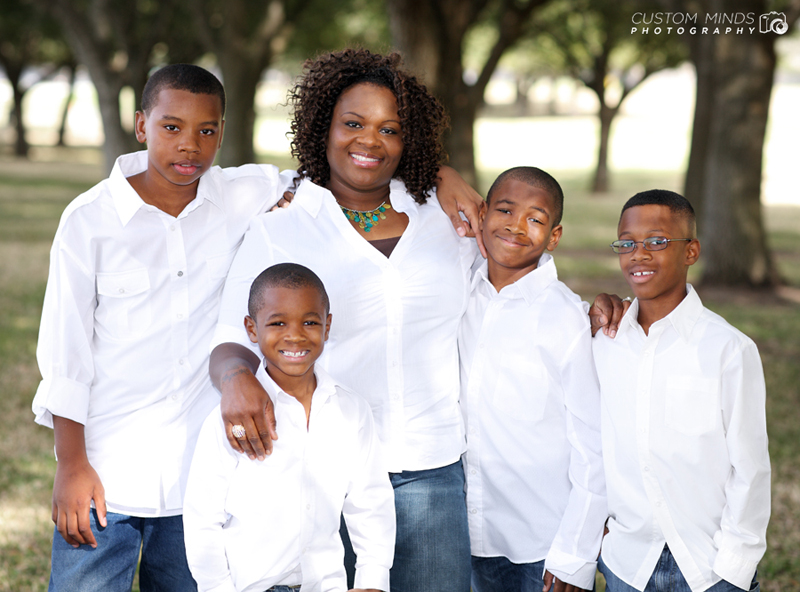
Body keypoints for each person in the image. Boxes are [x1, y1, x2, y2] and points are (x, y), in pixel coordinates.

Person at [32, 61, 481, 591]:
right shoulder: (97, 220)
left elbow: (343, 171)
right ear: (141, 125)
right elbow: (69, 356)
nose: (189, 146)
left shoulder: (252, 195)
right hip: (140, 467)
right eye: (171, 127)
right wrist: (71, 462)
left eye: (207, 131)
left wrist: (441, 174)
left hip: (245, 474)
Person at [210, 49, 475, 592]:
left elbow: (510, 282)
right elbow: (229, 337)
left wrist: (600, 308)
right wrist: (236, 379)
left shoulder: (447, 221)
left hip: (431, 469)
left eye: (390, 129)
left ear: (411, 140)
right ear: (322, 127)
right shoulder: (282, 226)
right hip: (323, 469)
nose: (369, 141)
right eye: (352, 123)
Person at [593, 190, 771, 592]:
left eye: (657, 241)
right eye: (627, 243)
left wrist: (734, 565)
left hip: (709, 567)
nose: (638, 254)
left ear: (691, 252)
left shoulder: (728, 349)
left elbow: (750, 467)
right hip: (628, 564)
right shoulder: (604, 340)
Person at [184, 263, 395, 592]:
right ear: (252, 330)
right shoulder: (231, 419)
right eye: (278, 322)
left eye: (310, 322)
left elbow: (370, 503)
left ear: (327, 326)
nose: (295, 335)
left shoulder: (351, 411)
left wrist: (372, 579)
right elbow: (203, 518)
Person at [460, 167, 606, 592]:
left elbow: (592, 447)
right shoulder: (459, 288)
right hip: (463, 535)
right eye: (505, 210)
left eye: (536, 219)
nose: (516, 225)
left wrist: (575, 556)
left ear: (554, 236)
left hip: (540, 546)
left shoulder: (567, 320)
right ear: (484, 214)